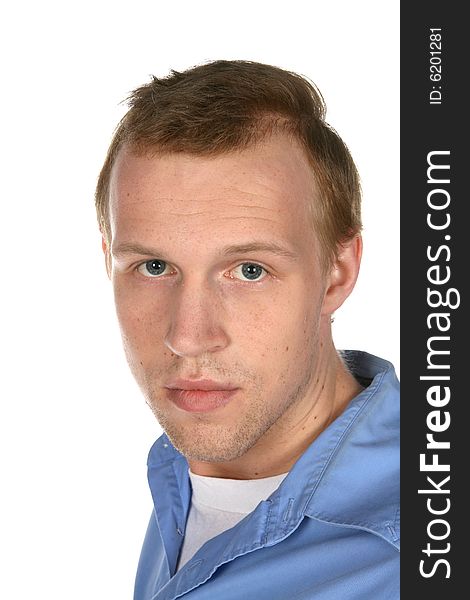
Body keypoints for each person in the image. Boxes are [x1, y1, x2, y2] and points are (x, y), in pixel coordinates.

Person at [95, 60, 399, 600]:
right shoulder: (184, 476)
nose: (187, 337)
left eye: (249, 271)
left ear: (338, 272)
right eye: (154, 267)